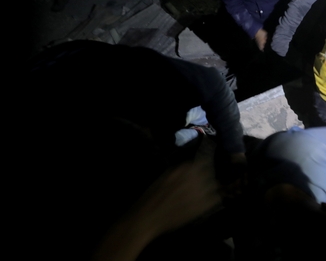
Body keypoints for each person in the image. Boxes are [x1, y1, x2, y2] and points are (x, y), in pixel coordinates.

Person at [22, 40, 246, 259]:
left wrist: (236, 152)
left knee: (199, 116)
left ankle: (196, 128)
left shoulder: (132, 72)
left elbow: (216, 88)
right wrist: (147, 223)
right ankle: (197, 132)